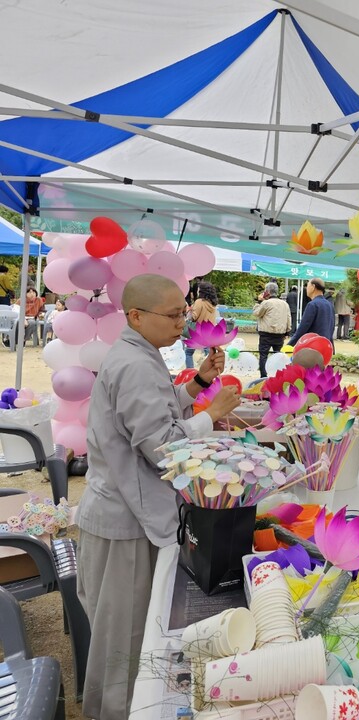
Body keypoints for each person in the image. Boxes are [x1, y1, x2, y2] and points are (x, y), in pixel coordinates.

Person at [75, 274, 241, 720]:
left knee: (134, 631)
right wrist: (212, 415)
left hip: (130, 511)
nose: (181, 323)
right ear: (135, 316)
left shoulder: (139, 354)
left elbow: (156, 406)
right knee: (124, 636)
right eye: (172, 315)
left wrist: (196, 386)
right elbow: (163, 445)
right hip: (124, 520)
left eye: (183, 313)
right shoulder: (132, 363)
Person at [253, 282, 291, 378]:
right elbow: (288, 318)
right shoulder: (285, 304)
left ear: (267, 292)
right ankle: (277, 376)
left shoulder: (266, 303)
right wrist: (287, 331)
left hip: (266, 334)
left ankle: (263, 377)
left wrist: (259, 301)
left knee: (263, 356)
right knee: (278, 357)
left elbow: (257, 313)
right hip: (280, 335)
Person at [289, 278, 336, 350]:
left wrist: (289, 345)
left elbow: (303, 328)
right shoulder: (329, 304)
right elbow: (331, 327)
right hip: (326, 346)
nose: (306, 289)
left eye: (307, 286)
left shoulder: (312, 304)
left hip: (313, 346)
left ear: (313, 287)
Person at [184, 281, 220, 370]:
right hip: (210, 332)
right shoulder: (213, 303)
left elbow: (193, 317)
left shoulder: (199, 301)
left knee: (188, 353)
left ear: (202, 291)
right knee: (209, 354)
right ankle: (209, 371)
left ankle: (190, 372)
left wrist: (189, 310)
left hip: (198, 332)